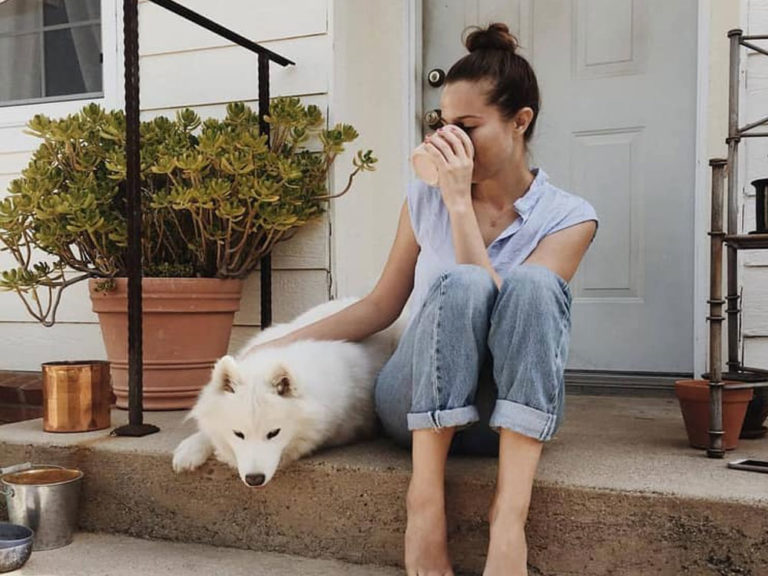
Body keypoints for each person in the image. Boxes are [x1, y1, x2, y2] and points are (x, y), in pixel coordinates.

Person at [247, 22, 598, 576]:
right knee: (462, 283)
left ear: (520, 121)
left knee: (531, 286)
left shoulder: (570, 217)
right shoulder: (422, 200)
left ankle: (509, 520)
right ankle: (425, 505)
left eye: (468, 127)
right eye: (443, 126)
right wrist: (277, 346)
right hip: (413, 403)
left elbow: (514, 319)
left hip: (501, 413)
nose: (450, 140)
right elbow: (380, 306)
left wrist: (459, 205)